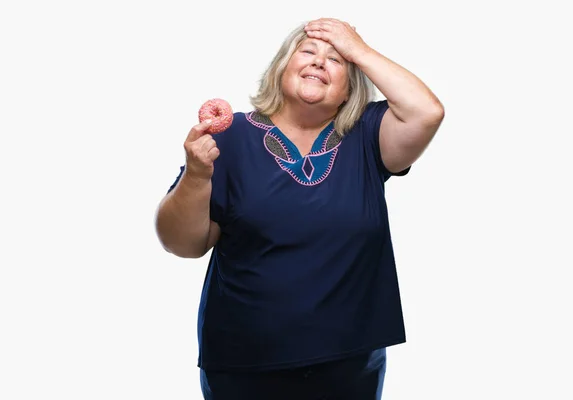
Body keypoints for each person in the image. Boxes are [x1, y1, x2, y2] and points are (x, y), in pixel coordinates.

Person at [155, 18, 444, 400]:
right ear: (281, 69)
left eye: (336, 60)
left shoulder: (368, 134)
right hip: (244, 363)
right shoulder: (230, 137)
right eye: (307, 51)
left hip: (349, 362)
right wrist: (195, 176)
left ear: (349, 91)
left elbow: (427, 112)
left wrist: (357, 47)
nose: (320, 61)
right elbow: (181, 243)